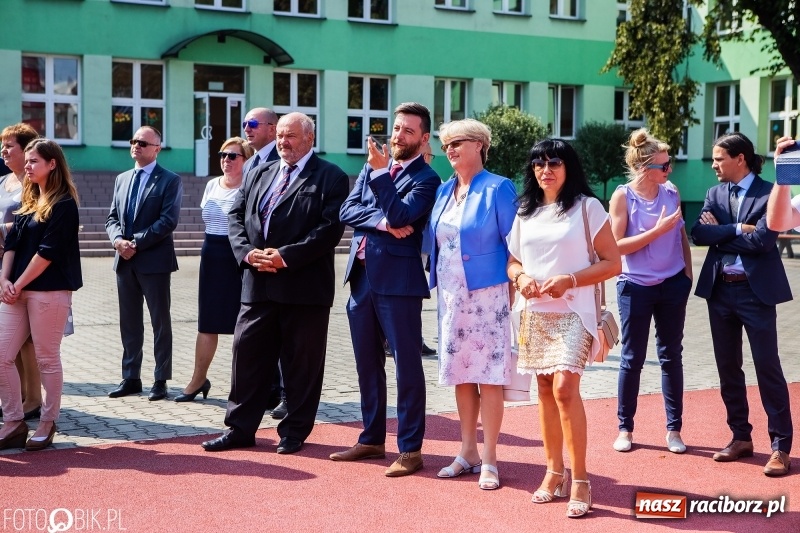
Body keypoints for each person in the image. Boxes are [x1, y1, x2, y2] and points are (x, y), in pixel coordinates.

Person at [201, 112, 348, 455]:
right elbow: (235, 216)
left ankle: (294, 431)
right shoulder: (259, 170)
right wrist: (248, 254)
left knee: (301, 364)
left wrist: (285, 256)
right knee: (247, 356)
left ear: (309, 139)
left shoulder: (331, 177)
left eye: (291, 136)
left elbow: (329, 231)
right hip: (257, 281)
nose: (283, 142)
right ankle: (239, 429)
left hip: (303, 286)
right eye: (280, 135)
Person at [506, 139, 620, 517]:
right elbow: (513, 261)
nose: (545, 169)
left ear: (569, 167)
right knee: (543, 388)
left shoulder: (588, 207)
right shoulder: (526, 211)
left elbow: (612, 263)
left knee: (565, 388)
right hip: (535, 311)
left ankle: (582, 478)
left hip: (575, 311)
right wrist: (520, 277)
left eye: (554, 162)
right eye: (538, 163)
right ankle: (554, 471)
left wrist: (570, 279)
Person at [332, 102, 440, 477]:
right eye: (396, 129)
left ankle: (410, 449)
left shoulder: (428, 180)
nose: (398, 137)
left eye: (408, 131)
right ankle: (371, 439)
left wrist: (380, 185)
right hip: (360, 279)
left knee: (407, 366)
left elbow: (402, 216)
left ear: (424, 139)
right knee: (367, 364)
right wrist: (379, 221)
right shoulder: (372, 167)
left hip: (400, 284)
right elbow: (346, 211)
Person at [692, 132, 793, 477]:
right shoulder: (714, 193)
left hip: (756, 292)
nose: (714, 165)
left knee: (768, 367)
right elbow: (699, 234)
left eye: (719, 158)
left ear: (741, 159)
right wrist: (736, 227)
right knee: (727, 368)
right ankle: (740, 437)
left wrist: (722, 232)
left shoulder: (771, 192)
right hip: (720, 291)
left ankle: (780, 447)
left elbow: (764, 241)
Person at [426, 119, 516, 489]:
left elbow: (516, 244)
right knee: (461, 375)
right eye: (446, 143)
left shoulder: (499, 187)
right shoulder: (445, 190)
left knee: (489, 378)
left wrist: (516, 293)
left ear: (479, 144)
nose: (450, 149)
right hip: (450, 297)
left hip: (488, 297)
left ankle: (491, 457)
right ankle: (468, 451)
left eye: (457, 142)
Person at [608, 128, 693, 454]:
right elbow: (616, 247)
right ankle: (625, 428)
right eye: (664, 165)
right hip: (635, 286)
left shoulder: (671, 191)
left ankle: (674, 430)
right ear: (645, 168)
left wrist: (686, 275)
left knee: (672, 356)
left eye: (669, 164)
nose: (670, 170)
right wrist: (657, 230)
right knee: (632, 358)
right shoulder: (622, 196)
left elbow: (681, 237)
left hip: (673, 285)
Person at [0, 138, 82, 451]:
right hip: (16, 290)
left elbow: (46, 254)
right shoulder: (28, 200)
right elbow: (12, 244)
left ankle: (47, 422)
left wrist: (17, 284)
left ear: (52, 164)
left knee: (47, 359)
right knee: (2, 354)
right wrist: (4, 280)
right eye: (28, 160)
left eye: (35, 161)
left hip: (49, 291)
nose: (28, 166)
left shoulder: (64, 205)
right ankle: (13, 422)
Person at [105, 126, 183, 401]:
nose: (136, 146)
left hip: (154, 262)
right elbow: (112, 218)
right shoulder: (122, 179)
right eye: (133, 141)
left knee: (159, 322)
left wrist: (135, 243)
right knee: (129, 322)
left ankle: (160, 379)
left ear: (157, 148)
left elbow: (168, 221)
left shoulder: (169, 180)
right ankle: (131, 377)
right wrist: (118, 242)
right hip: (124, 262)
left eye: (143, 143)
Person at [175, 137, 254, 402]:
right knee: (207, 323)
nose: (226, 160)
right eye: (223, 155)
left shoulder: (251, 186)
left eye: (233, 156)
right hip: (211, 254)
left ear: (246, 159)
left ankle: (243, 385)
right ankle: (198, 380)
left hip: (238, 256)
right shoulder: (211, 185)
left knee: (243, 325)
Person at [241, 106, 285, 414]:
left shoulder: (279, 161)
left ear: (272, 128)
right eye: (244, 123)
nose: (247, 128)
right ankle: (269, 391)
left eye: (253, 123)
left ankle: (285, 394)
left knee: (283, 338)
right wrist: (247, 251)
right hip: (255, 265)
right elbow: (243, 214)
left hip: (282, 265)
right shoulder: (252, 162)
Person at [0, 123, 42, 421]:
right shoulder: (3, 182)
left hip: (24, 264)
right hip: (2, 264)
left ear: (26, 150)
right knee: (6, 336)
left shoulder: (34, 183)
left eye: (9, 145)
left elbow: (38, 223)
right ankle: (15, 396)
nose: (3, 151)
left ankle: (33, 398)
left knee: (27, 338)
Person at [242, 107, 279, 175]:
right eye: (244, 125)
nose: (246, 129)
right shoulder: (247, 164)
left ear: (272, 129)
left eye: (252, 124)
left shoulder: (284, 161)